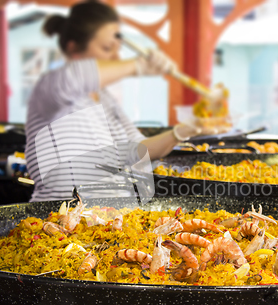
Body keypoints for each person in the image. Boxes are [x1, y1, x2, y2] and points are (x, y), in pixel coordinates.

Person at [25, 0, 220, 202]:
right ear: (73, 49)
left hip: (112, 217)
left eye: (117, 48)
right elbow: (77, 76)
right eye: (107, 48)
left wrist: (181, 132)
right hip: (58, 218)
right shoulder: (52, 86)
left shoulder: (106, 100)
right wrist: (139, 65)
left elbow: (139, 150)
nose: (117, 56)